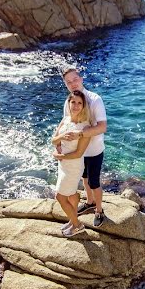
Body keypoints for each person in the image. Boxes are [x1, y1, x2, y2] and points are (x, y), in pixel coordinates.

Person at [59, 67, 107, 227]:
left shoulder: (95, 99)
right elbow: (65, 124)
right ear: (66, 85)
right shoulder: (69, 101)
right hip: (77, 152)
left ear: (81, 79)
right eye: (68, 82)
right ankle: (90, 202)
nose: (73, 84)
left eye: (75, 79)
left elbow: (102, 127)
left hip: (94, 151)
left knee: (94, 182)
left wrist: (81, 134)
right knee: (84, 178)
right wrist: (58, 145)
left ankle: (99, 210)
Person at [52, 90, 91, 236]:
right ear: (68, 103)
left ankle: (77, 225)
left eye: (79, 103)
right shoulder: (65, 120)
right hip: (62, 164)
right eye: (73, 102)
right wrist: (61, 136)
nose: (75, 105)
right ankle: (72, 218)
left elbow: (79, 153)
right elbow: (53, 140)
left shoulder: (85, 128)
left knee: (60, 197)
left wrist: (59, 156)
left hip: (73, 166)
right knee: (72, 194)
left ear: (83, 106)